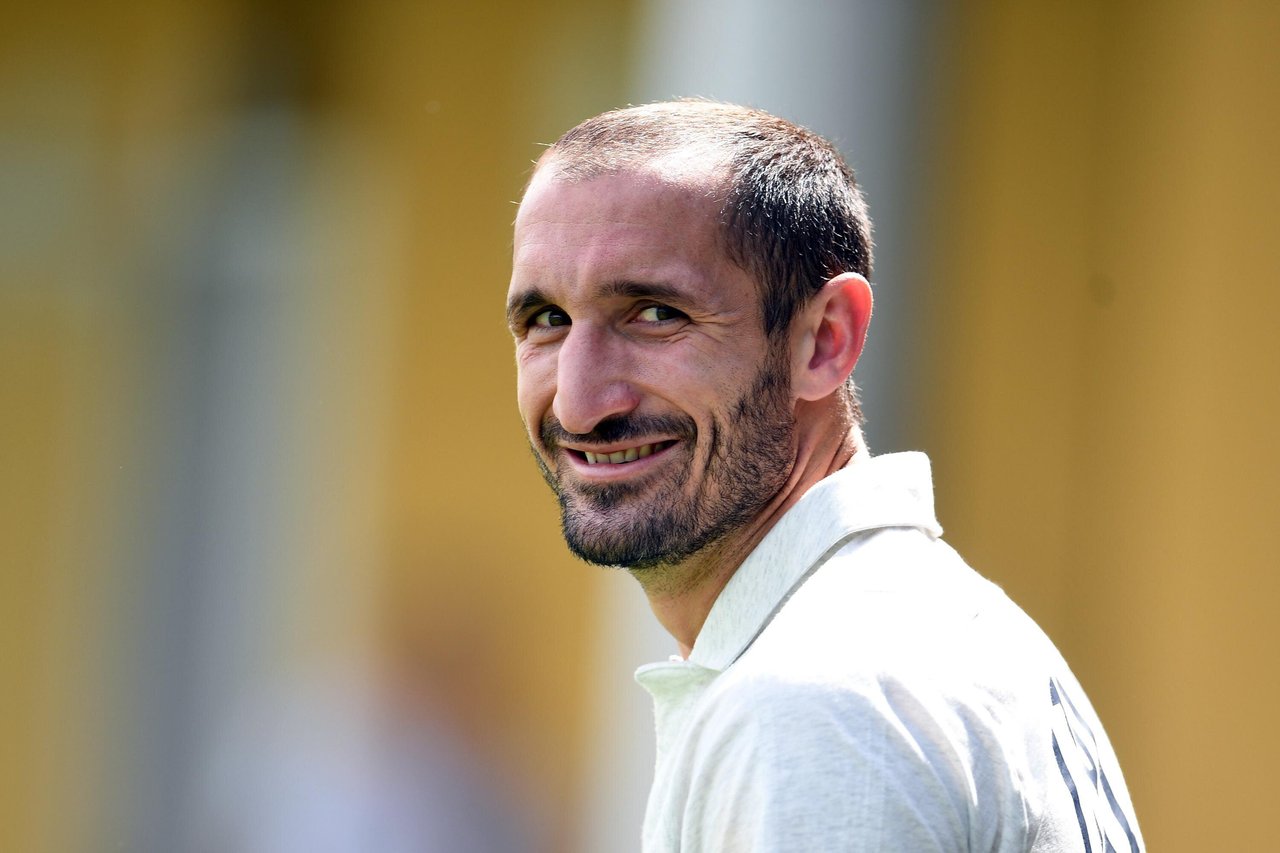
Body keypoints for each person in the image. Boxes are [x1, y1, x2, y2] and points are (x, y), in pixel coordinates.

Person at [506, 100, 1143, 852]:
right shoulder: (924, 634)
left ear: (825, 339)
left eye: (655, 313)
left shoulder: (815, 702)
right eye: (546, 320)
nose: (578, 404)